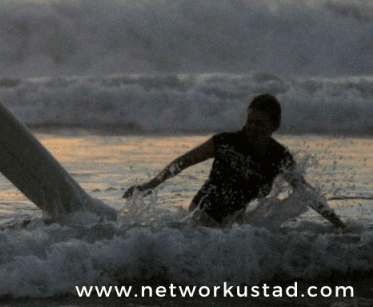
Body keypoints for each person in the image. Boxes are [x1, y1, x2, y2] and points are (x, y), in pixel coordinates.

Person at [123, 93, 344, 228]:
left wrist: (337, 223)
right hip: (202, 214)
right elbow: (183, 162)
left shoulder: (279, 156)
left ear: (274, 126)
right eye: (250, 121)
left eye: (259, 123)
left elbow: (304, 192)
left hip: (233, 221)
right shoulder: (225, 142)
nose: (251, 128)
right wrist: (149, 185)